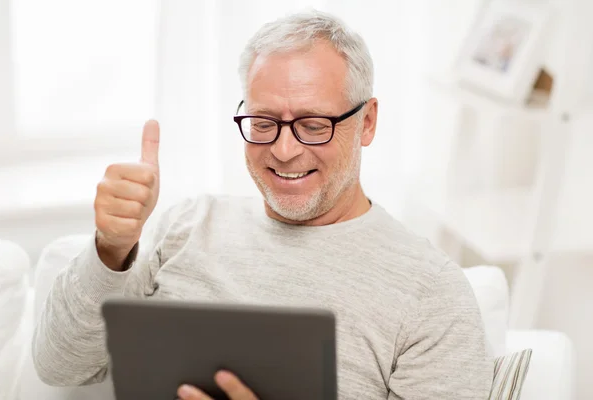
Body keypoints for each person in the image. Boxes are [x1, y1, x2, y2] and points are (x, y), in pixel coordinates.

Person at [32, 9, 493, 400]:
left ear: (367, 122)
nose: (285, 151)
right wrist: (110, 249)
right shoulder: (187, 225)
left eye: (314, 124)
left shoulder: (432, 294)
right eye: (264, 121)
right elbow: (60, 366)